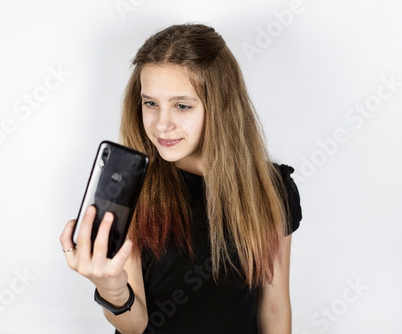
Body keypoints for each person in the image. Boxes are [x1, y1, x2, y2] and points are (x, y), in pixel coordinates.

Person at [60, 23, 302, 334]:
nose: (162, 124)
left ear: (221, 106)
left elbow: (275, 306)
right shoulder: (131, 190)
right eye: (151, 103)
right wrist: (113, 290)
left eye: (182, 106)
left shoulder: (270, 189)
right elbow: (135, 325)